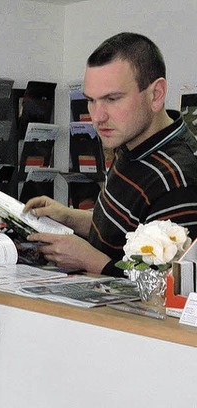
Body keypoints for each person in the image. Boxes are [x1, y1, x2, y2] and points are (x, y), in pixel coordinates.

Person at [25, 32, 197, 276]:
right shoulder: (130, 139)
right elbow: (128, 231)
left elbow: (160, 285)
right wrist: (68, 217)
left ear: (156, 95)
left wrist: (88, 260)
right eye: (91, 101)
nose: (97, 117)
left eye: (112, 99)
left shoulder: (177, 179)